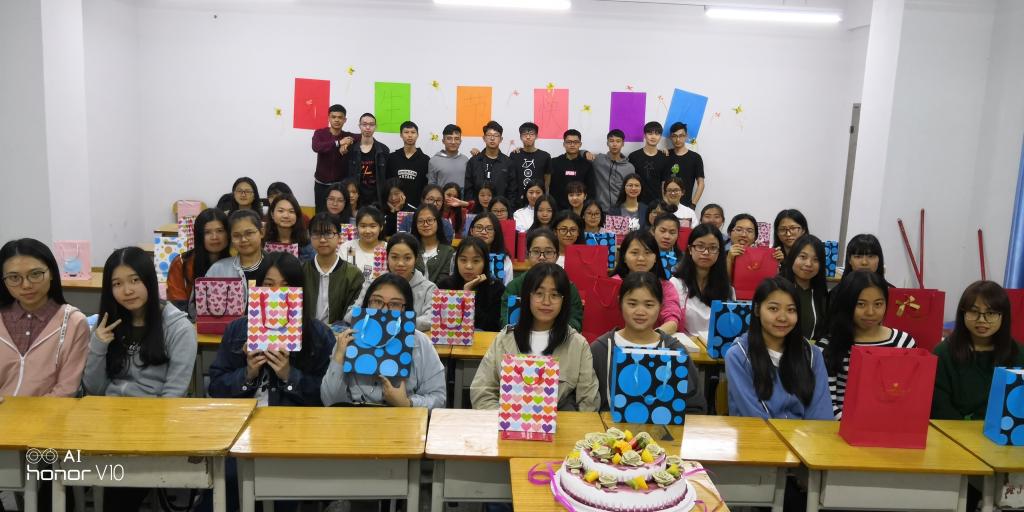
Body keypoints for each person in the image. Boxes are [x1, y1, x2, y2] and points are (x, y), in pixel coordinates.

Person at [209, 252, 334, 406]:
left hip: (293, 418)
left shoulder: (319, 334)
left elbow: (329, 396)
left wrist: (289, 375)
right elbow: (215, 388)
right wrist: (248, 375)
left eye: (286, 286)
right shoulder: (236, 330)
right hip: (245, 415)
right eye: (268, 285)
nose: (277, 292)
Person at [471, 263, 599, 411]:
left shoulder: (578, 345)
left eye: (554, 295)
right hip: (505, 422)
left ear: (564, 300)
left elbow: (588, 402)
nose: (546, 302)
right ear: (527, 296)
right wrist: (507, 418)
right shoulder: (504, 339)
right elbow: (482, 392)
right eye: (539, 293)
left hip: (560, 424)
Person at [84, 247, 197, 398]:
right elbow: (94, 389)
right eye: (117, 284)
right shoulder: (107, 325)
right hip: (111, 408)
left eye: (135, 280)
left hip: (156, 410)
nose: (127, 291)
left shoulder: (179, 328)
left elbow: (174, 393)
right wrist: (98, 346)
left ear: (149, 280)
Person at [321, 273, 446, 408]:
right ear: (367, 304)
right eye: (377, 301)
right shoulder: (349, 340)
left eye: (395, 304)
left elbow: (439, 399)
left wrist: (407, 404)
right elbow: (329, 401)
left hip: (403, 419)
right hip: (354, 418)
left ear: (406, 308)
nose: (385, 310)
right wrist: (338, 358)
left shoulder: (420, 343)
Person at [591, 272, 706, 413]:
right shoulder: (601, 349)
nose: (640, 311)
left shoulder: (674, 351)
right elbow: (586, 403)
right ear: (620, 303)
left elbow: (695, 406)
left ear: (661, 306)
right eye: (632, 304)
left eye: (649, 305)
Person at [725, 277, 833, 419]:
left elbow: (821, 414)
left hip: (803, 433)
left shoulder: (812, 355)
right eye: (773, 309)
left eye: (791, 310)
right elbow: (754, 416)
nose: (782, 318)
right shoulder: (738, 356)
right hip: (756, 432)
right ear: (757, 309)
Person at [818, 270, 916, 419]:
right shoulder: (828, 346)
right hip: (843, 426)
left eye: (878, 304)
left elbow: (910, 395)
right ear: (847, 304)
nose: (870, 312)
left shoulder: (904, 343)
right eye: (861, 304)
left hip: (893, 424)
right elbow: (828, 403)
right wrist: (858, 426)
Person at [0, 238, 89, 396]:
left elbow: (66, 389)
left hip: (48, 410)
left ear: (52, 273)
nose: (26, 285)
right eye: (14, 277)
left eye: (35, 274)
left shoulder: (74, 323)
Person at [932, 281, 1024, 420]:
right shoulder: (943, 353)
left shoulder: (1018, 354)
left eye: (991, 313)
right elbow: (939, 406)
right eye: (974, 312)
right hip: (952, 429)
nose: (981, 319)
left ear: (1003, 316)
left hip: (1002, 429)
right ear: (963, 314)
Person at [347, 233, 438, 332]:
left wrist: (391, 324)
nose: (400, 263)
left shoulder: (429, 288)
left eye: (407, 258)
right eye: (394, 257)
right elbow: (350, 316)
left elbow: (431, 319)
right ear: (387, 257)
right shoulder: (372, 284)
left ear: (416, 259)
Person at [501, 229, 583, 331]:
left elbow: (575, 321)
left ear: (557, 256)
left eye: (548, 252)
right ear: (528, 254)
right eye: (536, 252)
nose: (542, 257)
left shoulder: (568, 286)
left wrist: (549, 333)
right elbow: (505, 321)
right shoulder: (515, 286)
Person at [612, 231, 682, 335]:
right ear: (624, 257)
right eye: (634, 253)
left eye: (647, 252)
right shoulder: (612, 284)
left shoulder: (665, 287)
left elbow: (672, 320)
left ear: (655, 257)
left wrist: (651, 338)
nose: (641, 258)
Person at [672, 223, 734, 338]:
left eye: (713, 248)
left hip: (715, 347)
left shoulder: (728, 289)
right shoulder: (676, 285)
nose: (706, 252)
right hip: (684, 345)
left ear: (719, 252)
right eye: (700, 246)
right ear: (690, 249)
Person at [303, 213, 364, 325]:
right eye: (316, 234)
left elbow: (352, 316)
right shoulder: (302, 271)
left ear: (339, 237)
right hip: (307, 333)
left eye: (328, 234)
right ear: (310, 237)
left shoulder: (354, 275)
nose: (322, 239)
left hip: (340, 333)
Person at [437, 236, 506, 332]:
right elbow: (443, 323)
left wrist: (468, 297)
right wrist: (465, 294)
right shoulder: (445, 286)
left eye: (476, 261)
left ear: (485, 263)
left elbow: (492, 326)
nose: (469, 266)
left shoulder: (496, 288)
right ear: (456, 261)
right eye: (463, 260)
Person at [166, 208, 230, 308]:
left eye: (220, 231)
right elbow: (177, 307)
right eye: (207, 232)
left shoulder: (237, 262)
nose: (214, 237)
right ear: (199, 235)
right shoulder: (181, 263)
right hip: (188, 316)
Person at [779, 234, 829, 341]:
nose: (809, 264)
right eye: (803, 257)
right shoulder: (777, 289)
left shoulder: (822, 294)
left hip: (812, 350)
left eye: (816, 259)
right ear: (793, 257)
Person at [205, 209, 271, 287]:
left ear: (262, 232)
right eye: (236, 235)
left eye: (249, 233)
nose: (243, 239)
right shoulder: (218, 269)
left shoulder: (275, 265)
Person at [311, 104, 356, 213]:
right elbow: (316, 147)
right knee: (320, 213)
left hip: (340, 185)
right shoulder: (320, 133)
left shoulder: (346, 135)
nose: (336, 120)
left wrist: (349, 141)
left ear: (345, 120)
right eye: (333, 117)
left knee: (339, 214)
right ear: (328, 118)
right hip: (321, 183)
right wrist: (338, 143)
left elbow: (360, 136)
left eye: (340, 117)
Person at [465, 120, 514, 203]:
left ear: (501, 139)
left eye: (496, 135)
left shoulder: (508, 163)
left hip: (500, 208)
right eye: (489, 135)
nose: (492, 138)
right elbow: (468, 189)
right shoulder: (474, 161)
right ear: (484, 138)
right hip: (477, 209)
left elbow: (512, 191)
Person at [348, 113, 390, 208]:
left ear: (375, 127)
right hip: (357, 198)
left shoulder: (383, 150)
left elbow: (386, 176)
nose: (368, 127)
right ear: (359, 126)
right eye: (364, 124)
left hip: (377, 198)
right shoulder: (351, 149)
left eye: (371, 124)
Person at [386, 121, 430, 208]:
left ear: (417, 135)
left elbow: (426, 186)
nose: (410, 135)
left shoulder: (425, 160)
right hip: (394, 206)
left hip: (417, 207)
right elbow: (387, 184)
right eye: (406, 132)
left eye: (413, 132)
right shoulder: (392, 158)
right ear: (401, 135)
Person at [508, 122, 551, 209]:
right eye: (525, 134)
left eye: (531, 134)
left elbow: (547, 181)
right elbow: (511, 179)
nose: (528, 137)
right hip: (518, 202)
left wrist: (545, 197)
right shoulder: (514, 155)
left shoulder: (545, 156)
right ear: (520, 137)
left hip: (539, 201)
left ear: (536, 136)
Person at [548, 129, 594, 211]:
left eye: (575, 142)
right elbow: (549, 186)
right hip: (557, 209)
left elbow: (591, 190)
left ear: (580, 144)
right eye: (569, 142)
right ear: (564, 144)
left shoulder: (587, 165)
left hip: (580, 210)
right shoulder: (554, 162)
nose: (572, 145)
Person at [663, 122, 705, 209]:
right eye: (674, 136)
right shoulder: (665, 155)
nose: (678, 139)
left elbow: (701, 183)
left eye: (681, 136)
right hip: (666, 205)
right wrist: (664, 201)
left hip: (686, 206)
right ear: (670, 137)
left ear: (686, 136)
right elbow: (662, 181)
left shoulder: (695, 158)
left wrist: (693, 204)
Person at [592, 129, 635, 212]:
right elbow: (578, 153)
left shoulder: (629, 167)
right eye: (611, 141)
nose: (614, 144)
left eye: (618, 141)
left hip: (620, 210)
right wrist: (585, 153)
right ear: (607, 143)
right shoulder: (598, 160)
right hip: (599, 210)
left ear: (623, 144)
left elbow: (631, 190)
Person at [411, 204, 455, 284]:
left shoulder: (448, 251)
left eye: (430, 220)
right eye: (420, 221)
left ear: (438, 222)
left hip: (438, 291)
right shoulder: (410, 249)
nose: (425, 224)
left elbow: (444, 281)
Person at [265, 193, 315, 262]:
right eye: (281, 211)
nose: (286, 216)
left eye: (291, 211)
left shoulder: (307, 244)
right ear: (272, 214)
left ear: (297, 215)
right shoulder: (262, 241)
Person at [339, 206, 387, 277]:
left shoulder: (388, 249)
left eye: (373, 226)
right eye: (363, 226)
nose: (367, 231)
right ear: (357, 227)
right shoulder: (348, 248)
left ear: (381, 227)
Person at [467, 212, 514, 285]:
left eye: (489, 229)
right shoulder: (459, 256)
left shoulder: (505, 260)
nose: (483, 232)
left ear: (496, 233)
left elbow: (507, 288)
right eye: (479, 228)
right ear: (471, 231)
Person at [628, 121, 668, 205]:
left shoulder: (664, 158)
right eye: (650, 133)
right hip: (636, 202)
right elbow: (629, 181)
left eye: (657, 134)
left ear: (660, 137)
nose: (653, 137)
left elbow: (664, 183)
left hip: (657, 203)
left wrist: (664, 202)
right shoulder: (633, 156)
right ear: (644, 135)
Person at [428, 123, 469, 188]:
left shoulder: (465, 160)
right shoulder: (434, 161)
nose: (453, 142)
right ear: (443, 141)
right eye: (449, 138)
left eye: (456, 139)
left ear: (460, 141)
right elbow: (431, 186)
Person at [725, 213, 758, 278]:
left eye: (749, 231)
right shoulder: (718, 256)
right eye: (739, 230)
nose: (743, 235)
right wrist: (729, 259)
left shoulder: (761, 259)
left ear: (755, 237)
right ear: (729, 233)